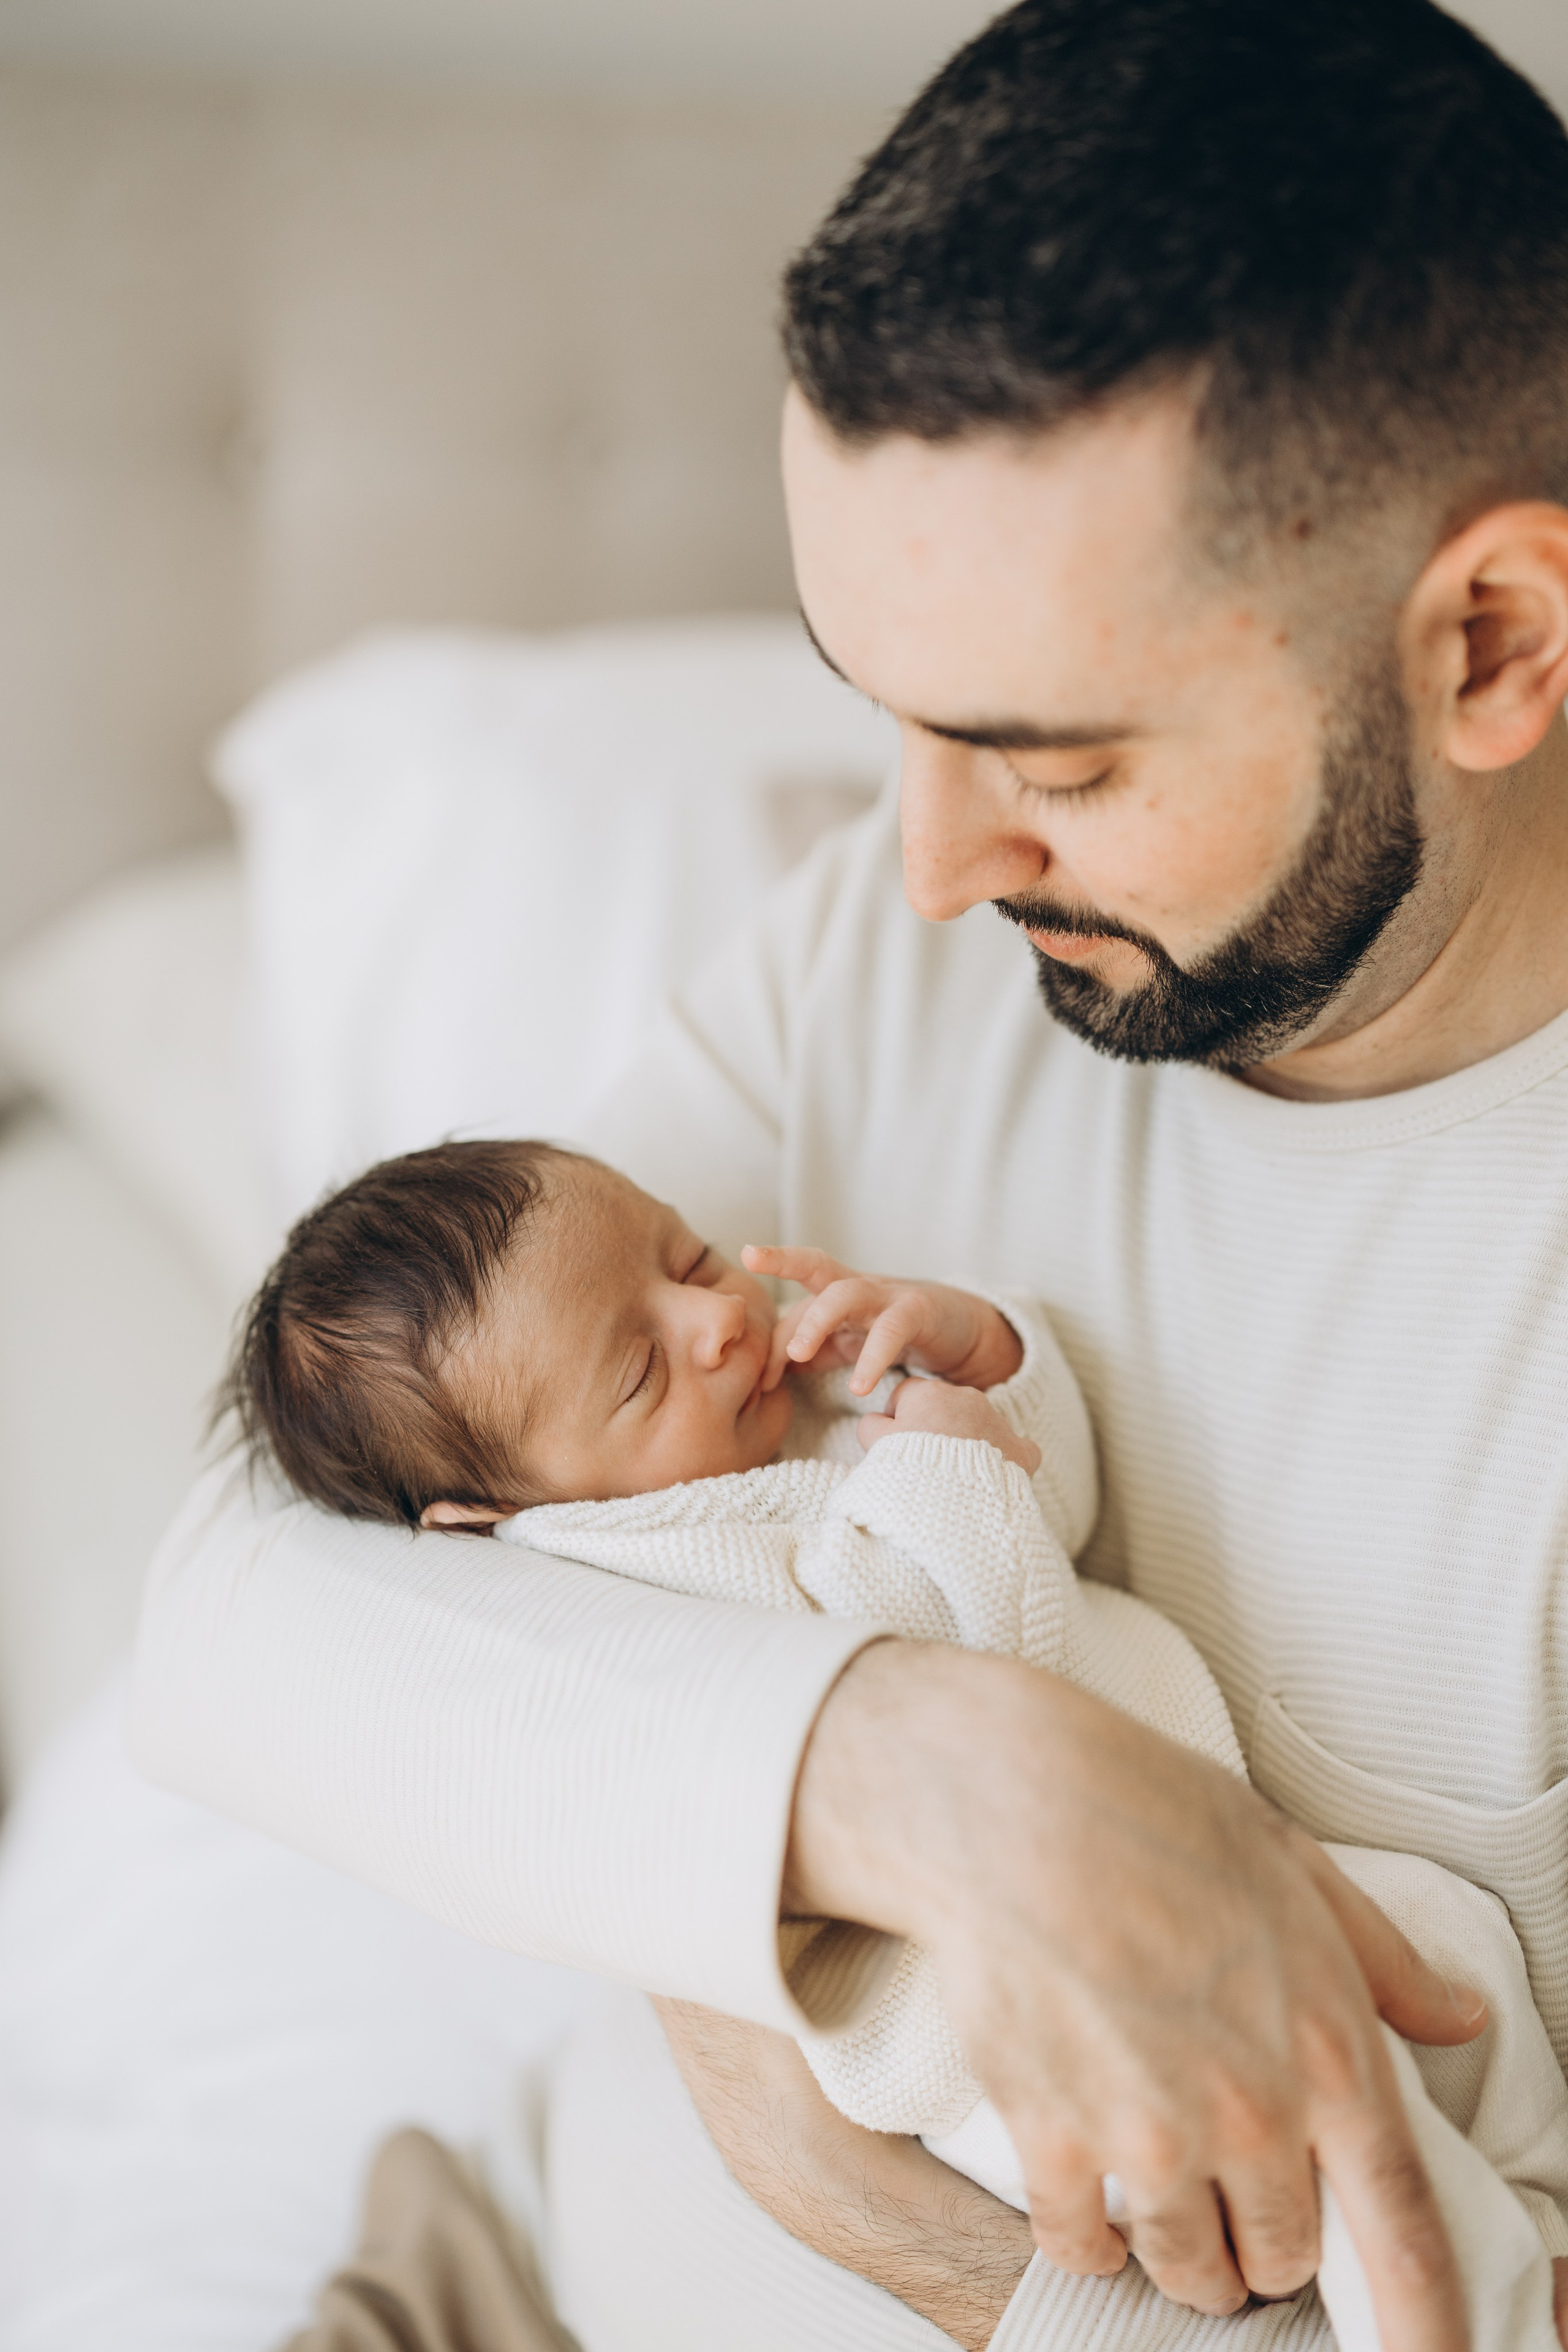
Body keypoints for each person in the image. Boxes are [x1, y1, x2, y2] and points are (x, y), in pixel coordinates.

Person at [132, 0, 1568, 2342]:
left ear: (1490, 641)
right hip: (508, 2282)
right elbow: (236, 1590)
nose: (925, 866)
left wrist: (870, 2198)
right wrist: (932, 1777)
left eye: (1055, 762)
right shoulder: (893, 958)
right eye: (879, 707)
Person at [222, 1136, 1567, 2346]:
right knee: (1315, 2131)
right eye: (637, 1372)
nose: (715, 1323)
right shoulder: (640, 1565)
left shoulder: (773, 1397)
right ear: (490, 1522)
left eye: (684, 1256)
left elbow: (1057, 1512)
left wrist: (983, 1358)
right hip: (997, 2050)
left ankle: (1532, 2212)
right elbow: (977, 1655)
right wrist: (950, 1462)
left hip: (1200, 1877)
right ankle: (1483, 2319)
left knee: (1446, 1948)